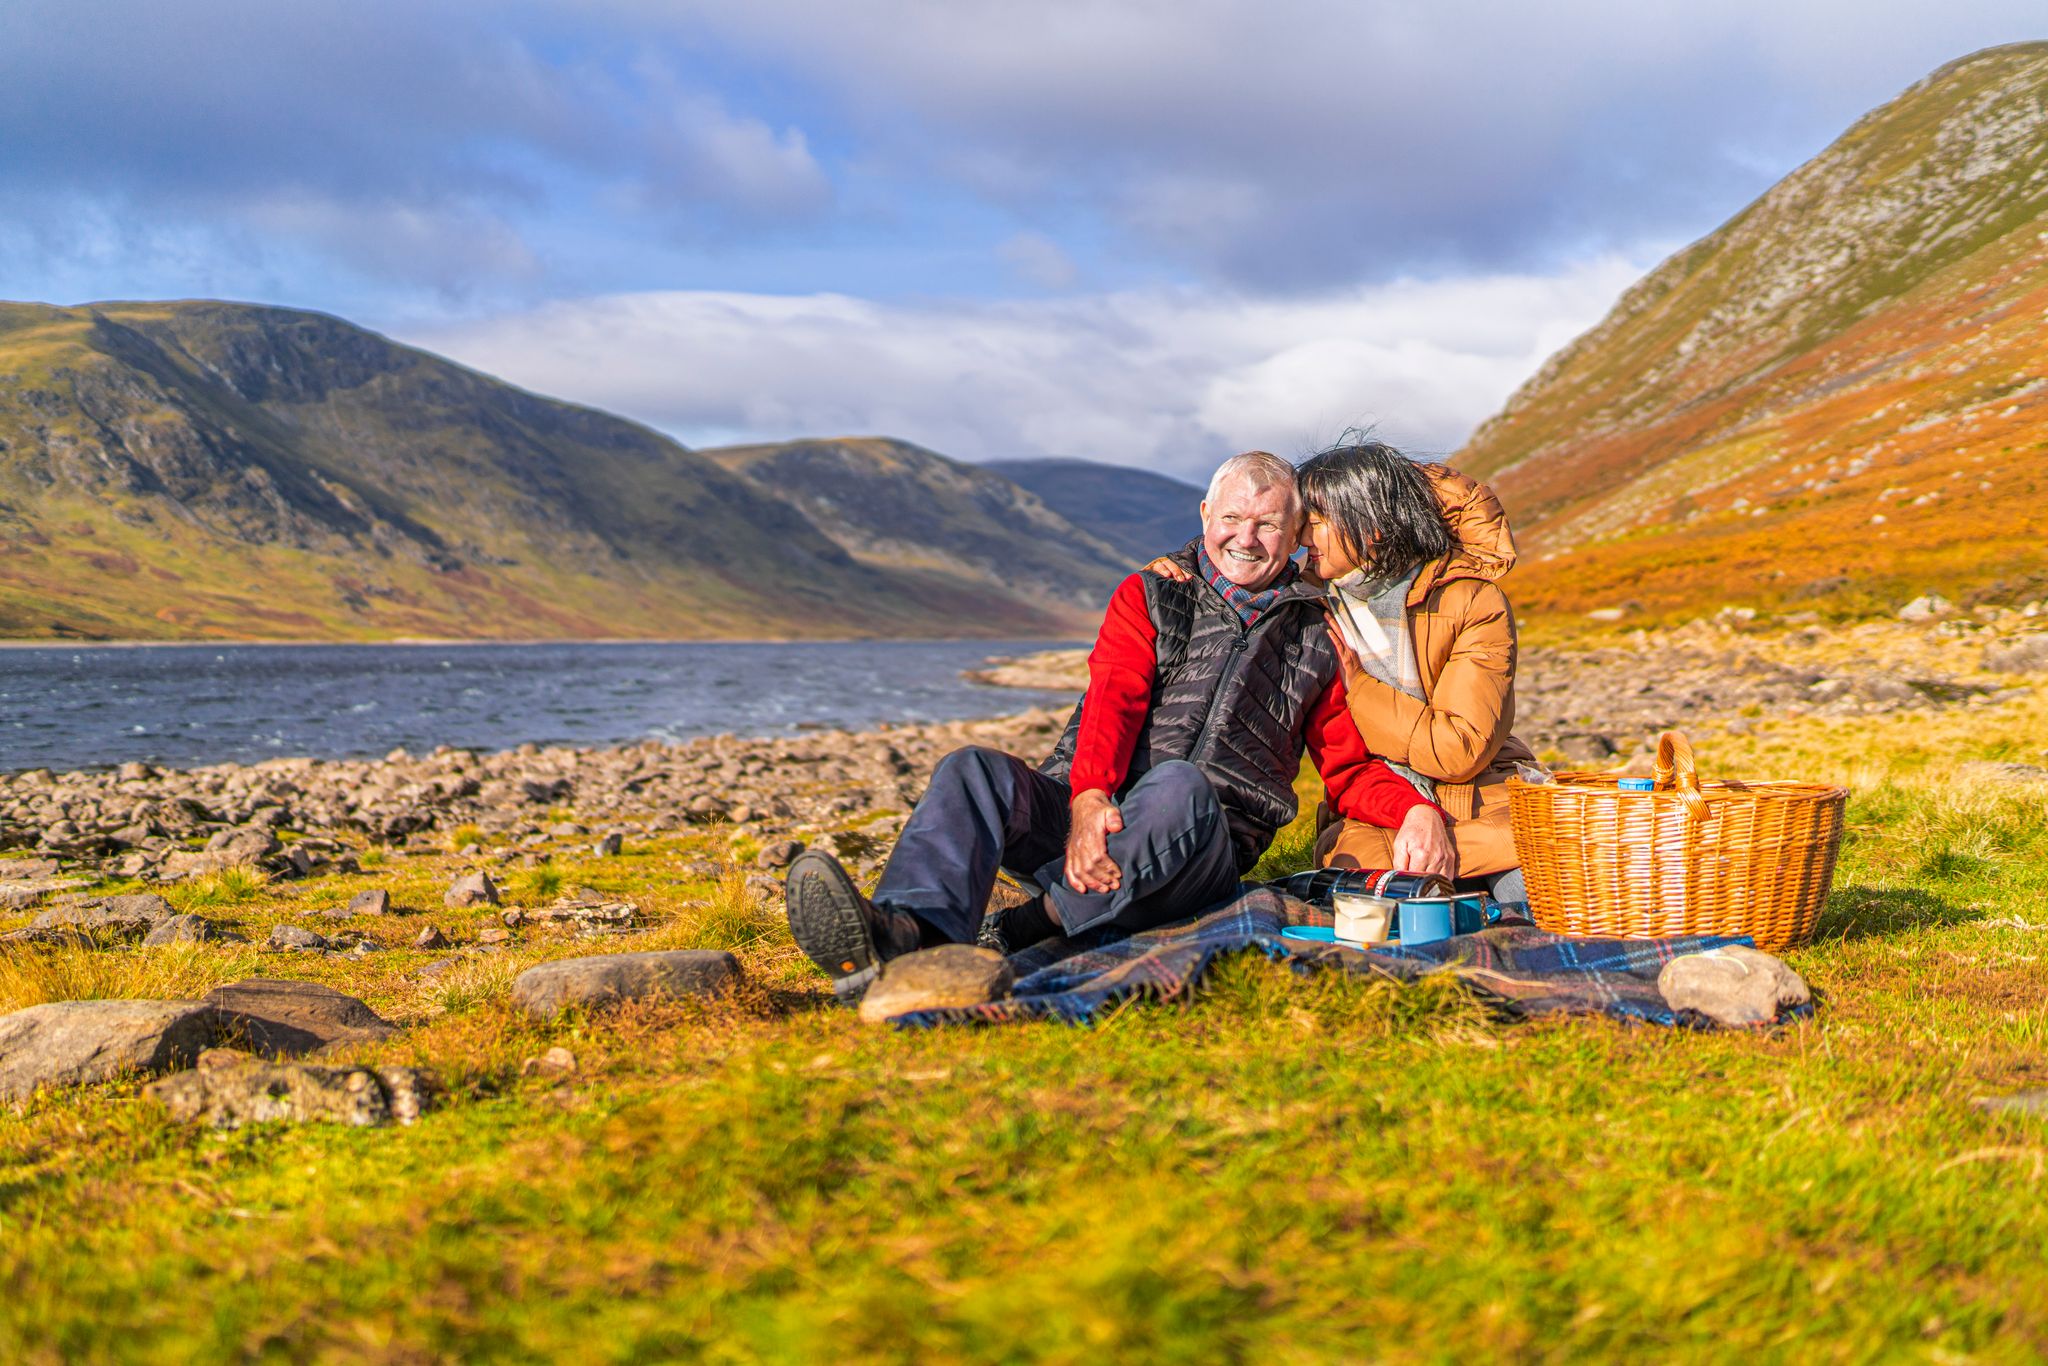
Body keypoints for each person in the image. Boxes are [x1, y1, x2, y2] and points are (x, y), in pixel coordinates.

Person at [784, 450, 1452, 1003]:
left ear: (1296, 530)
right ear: (1204, 516)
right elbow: (1114, 699)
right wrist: (1087, 800)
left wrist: (1416, 812)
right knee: (973, 770)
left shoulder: (1317, 637)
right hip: (1090, 828)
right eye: (1232, 518)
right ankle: (905, 931)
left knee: (1180, 784)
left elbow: (1348, 767)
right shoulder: (1151, 593)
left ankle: (1022, 931)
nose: (1245, 538)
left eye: (1268, 525)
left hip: (1197, 851)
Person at [1295, 440, 1535, 903]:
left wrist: (1357, 687)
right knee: (1389, 911)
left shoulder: (1471, 600)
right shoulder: (1309, 610)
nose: (1306, 538)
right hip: (1376, 812)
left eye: (1318, 522)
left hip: (1485, 799)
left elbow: (1460, 748)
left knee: (1530, 901)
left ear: (1373, 527)